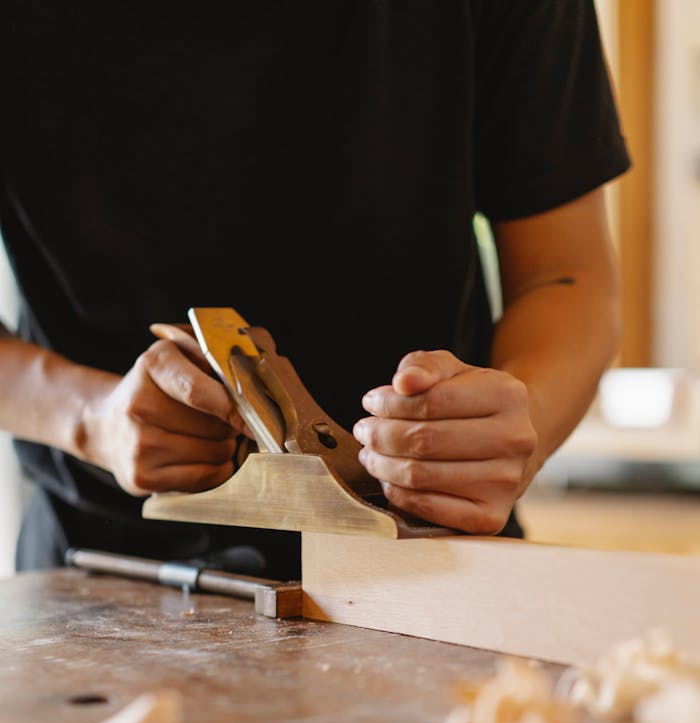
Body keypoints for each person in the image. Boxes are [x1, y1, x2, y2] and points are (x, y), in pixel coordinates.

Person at [0, 2, 630, 580]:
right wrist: (90, 417)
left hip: (434, 553)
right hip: (104, 563)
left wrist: (523, 423)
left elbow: (566, 276)